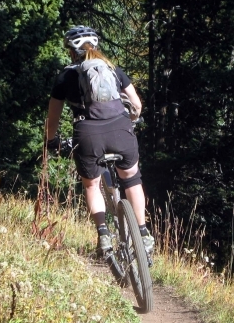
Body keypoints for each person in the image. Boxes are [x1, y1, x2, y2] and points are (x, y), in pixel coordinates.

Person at [45, 25, 154, 258]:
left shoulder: (65, 76)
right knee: (132, 180)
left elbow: (52, 118)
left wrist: (51, 141)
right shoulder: (113, 69)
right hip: (120, 128)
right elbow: (136, 105)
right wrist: (130, 120)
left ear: (72, 52)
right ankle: (143, 233)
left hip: (88, 134)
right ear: (95, 46)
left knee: (92, 185)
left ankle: (103, 234)